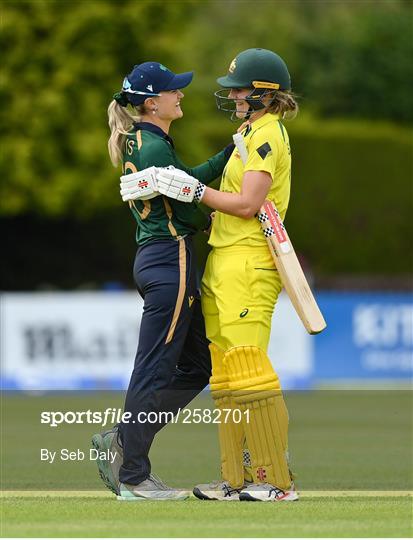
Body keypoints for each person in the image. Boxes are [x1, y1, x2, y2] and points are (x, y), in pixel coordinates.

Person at [152, 48, 300, 502]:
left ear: (263, 93)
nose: (232, 94)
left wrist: (195, 191)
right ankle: (235, 479)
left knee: (249, 370)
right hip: (224, 259)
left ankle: (276, 481)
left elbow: (249, 204)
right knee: (226, 376)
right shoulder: (247, 131)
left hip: (251, 263)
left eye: (239, 88)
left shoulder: (267, 134)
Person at [92, 61, 234, 501]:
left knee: (196, 367)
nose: (181, 95)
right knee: (155, 366)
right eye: (174, 91)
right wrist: (212, 205)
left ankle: (125, 437)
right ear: (152, 103)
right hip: (171, 259)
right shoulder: (152, 147)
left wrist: (230, 152)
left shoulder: (146, 139)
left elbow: (188, 183)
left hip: (162, 258)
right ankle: (133, 475)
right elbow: (188, 203)